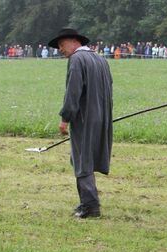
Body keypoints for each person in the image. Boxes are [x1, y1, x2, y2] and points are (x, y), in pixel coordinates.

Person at [48, 28, 114, 219]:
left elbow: (73, 92)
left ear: (73, 41)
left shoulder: (76, 60)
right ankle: (87, 202)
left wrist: (65, 118)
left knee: (82, 160)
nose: (60, 49)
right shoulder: (100, 59)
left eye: (61, 45)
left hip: (84, 119)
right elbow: (109, 86)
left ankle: (90, 206)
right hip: (101, 118)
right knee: (87, 158)